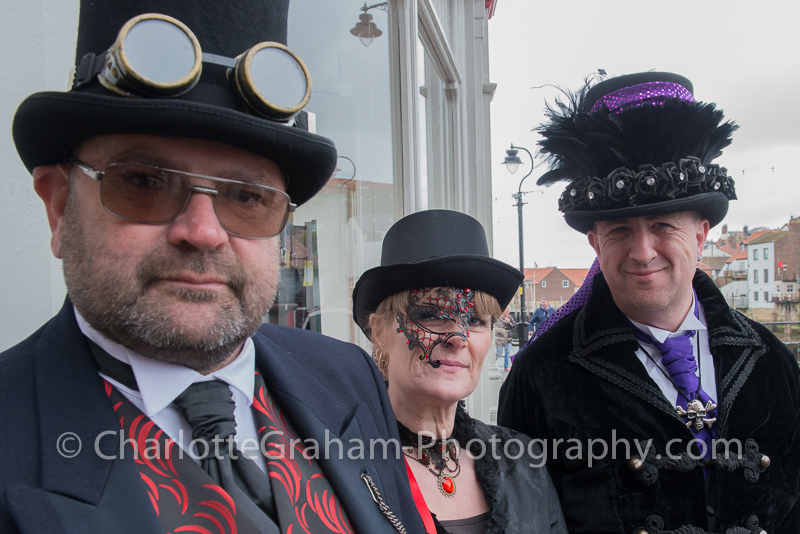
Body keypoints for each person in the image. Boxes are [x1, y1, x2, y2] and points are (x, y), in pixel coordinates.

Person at [0, 2, 427, 533]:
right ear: (61, 206)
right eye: (144, 183)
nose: (203, 232)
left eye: (247, 197)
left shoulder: (345, 376)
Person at [498, 72, 800, 533]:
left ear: (700, 235)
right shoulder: (541, 375)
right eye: (620, 230)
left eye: (663, 226)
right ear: (595, 244)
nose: (642, 252)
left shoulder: (771, 361)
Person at [352, 209, 567, 534]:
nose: (458, 338)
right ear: (379, 331)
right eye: (430, 314)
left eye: (476, 320)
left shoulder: (521, 461)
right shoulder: (344, 466)